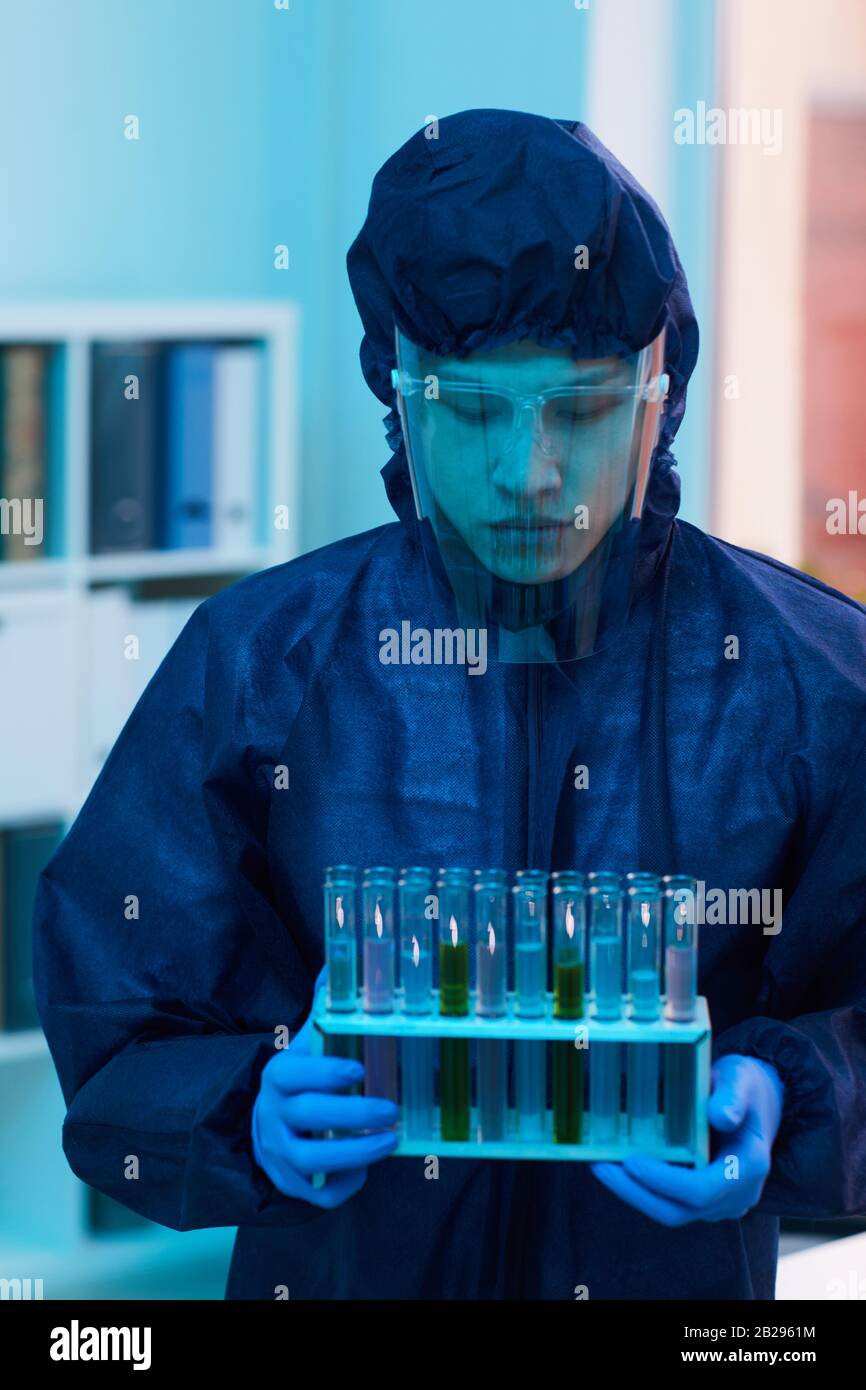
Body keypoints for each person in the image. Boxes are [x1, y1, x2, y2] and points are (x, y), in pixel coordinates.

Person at [34, 109, 866, 1300]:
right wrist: (249, 1109)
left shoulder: (806, 675)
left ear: (655, 391)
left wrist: (785, 1093)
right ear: (400, 390)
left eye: (579, 408)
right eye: (472, 409)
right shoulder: (261, 664)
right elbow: (113, 1018)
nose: (527, 472)